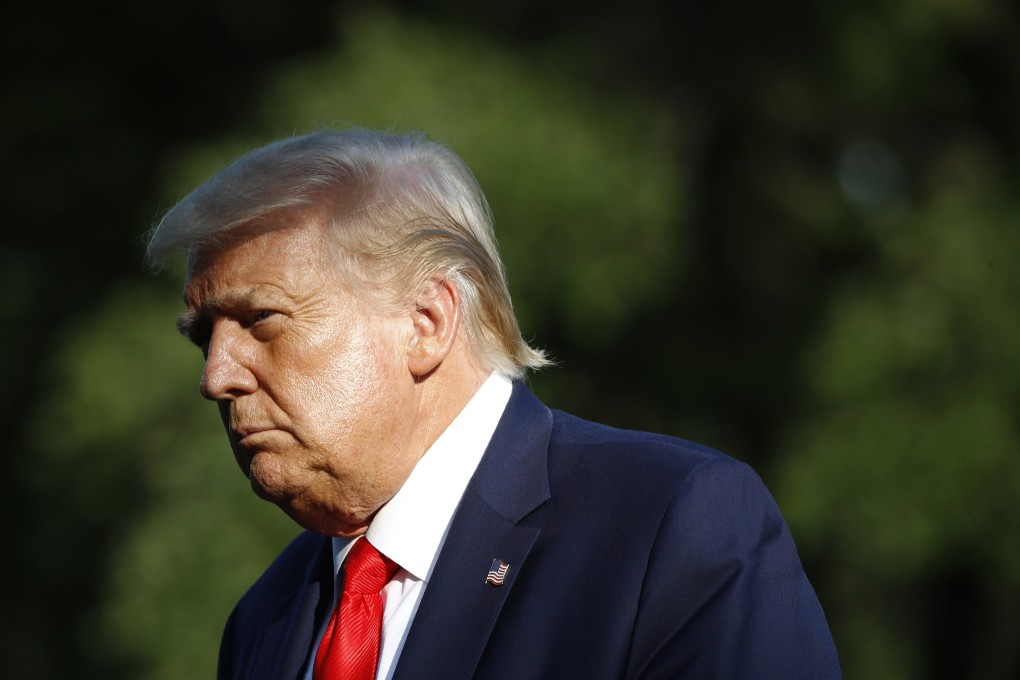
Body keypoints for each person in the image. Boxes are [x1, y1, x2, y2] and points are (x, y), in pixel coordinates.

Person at [147, 128, 842, 680]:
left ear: (426, 321)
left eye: (262, 319)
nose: (217, 376)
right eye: (206, 337)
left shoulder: (672, 529)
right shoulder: (268, 615)